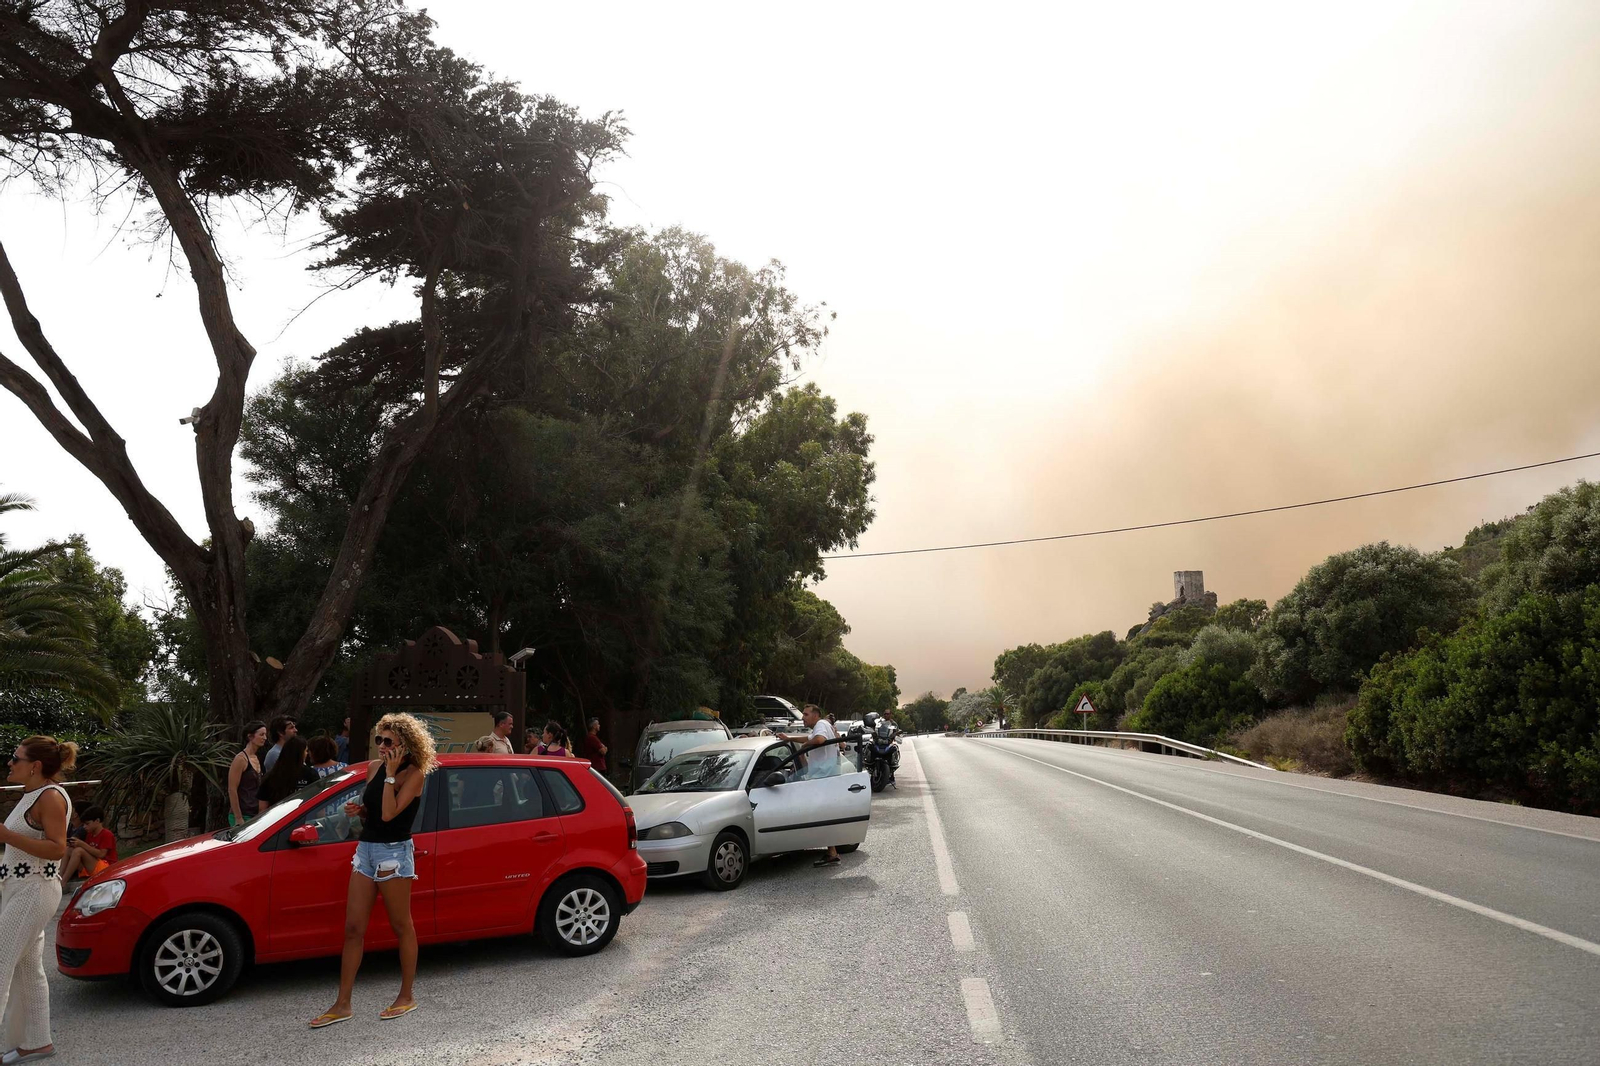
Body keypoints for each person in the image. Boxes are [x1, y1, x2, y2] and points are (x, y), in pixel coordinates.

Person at [310, 712, 435, 1028]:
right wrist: (360, 810)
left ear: (404, 744)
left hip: (394, 852)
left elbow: (392, 814)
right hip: (365, 850)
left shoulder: (414, 773)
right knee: (353, 927)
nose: (380, 745)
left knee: (401, 925)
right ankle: (342, 1004)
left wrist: (392, 774)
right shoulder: (374, 768)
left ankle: (406, 996)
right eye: (378, 739)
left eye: (387, 740)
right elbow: (376, 812)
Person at [0, 735, 76, 1064]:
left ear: (35, 766)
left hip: (34, 889)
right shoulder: (31, 794)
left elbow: (58, 848)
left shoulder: (49, 797)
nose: (9, 762)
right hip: (22, 887)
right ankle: (36, 1042)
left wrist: (6, 835)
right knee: (28, 969)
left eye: (15, 758)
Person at [777, 705, 843, 867]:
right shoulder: (822, 726)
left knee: (820, 815)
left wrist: (805, 747)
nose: (803, 717)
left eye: (806, 714)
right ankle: (832, 852)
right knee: (823, 815)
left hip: (824, 778)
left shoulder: (821, 725)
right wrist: (790, 739)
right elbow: (809, 738)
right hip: (824, 777)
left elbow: (819, 740)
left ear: (816, 715)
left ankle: (829, 851)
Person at [58, 805, 116, 884]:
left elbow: (101, 854)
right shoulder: (90, 834)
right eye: (84, 824)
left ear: (97, 821)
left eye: (87, 824)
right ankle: (59, 876)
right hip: (92, 865)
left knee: (78, 851)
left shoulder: (106, 834)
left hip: (106, 867)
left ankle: (63, 882)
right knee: (69, 849)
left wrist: (82, 844)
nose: (84, 827)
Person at [257, 736, 318, 809]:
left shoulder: (270, 776)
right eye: (306, 751)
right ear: (300, 753)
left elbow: (262, 809)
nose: (307, 754)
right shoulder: (310, 774)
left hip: (278, 818)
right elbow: (318, 806)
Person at [227, 719, 267, 825]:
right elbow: (232, 789)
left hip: (255, 815)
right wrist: (238, 817)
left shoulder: (257, 758)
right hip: (243, 815)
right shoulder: (240, 759)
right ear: (250, 736)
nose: (265, 738)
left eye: (265, 735)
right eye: (261, 734)